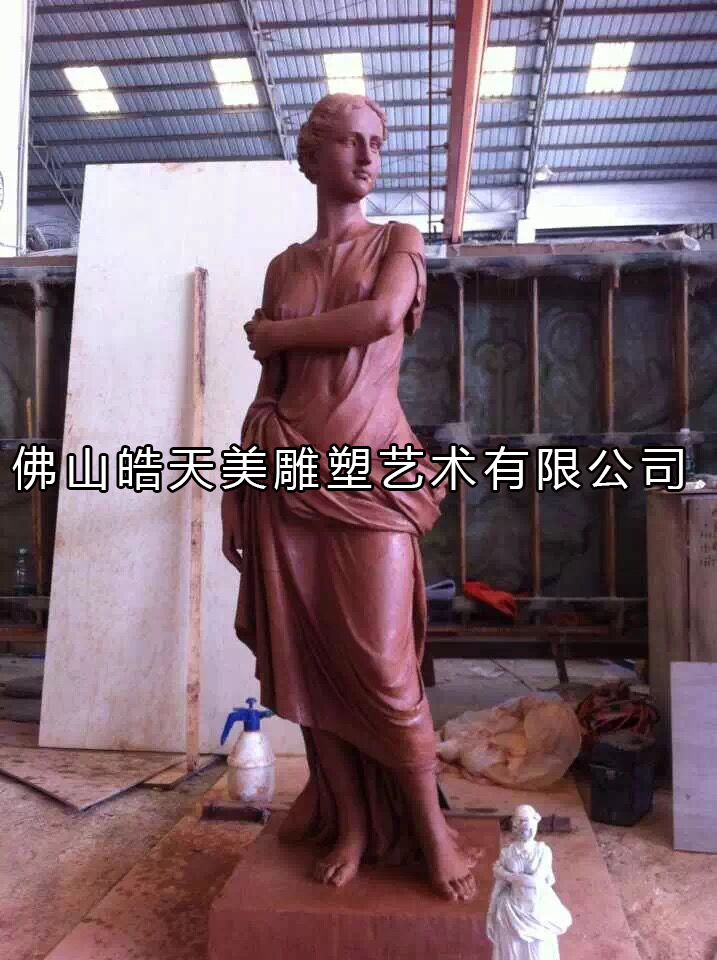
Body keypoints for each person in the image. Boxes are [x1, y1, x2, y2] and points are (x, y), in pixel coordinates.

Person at [221, 92, 478, 901]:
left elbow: (379, 315)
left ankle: (429, 830)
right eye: (351, 142)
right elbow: (269, 387)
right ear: (312, 156)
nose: (369, 157)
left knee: (382, 665)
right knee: (308, 661)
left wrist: (276, 332)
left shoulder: (397, 240)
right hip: (286, 470)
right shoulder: (284, 266)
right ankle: (352, 821)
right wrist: (237, 487)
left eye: (377, 142)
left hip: (370, 474)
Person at [486, 805, 572, 959]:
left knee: (539, 952)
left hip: (538, 910)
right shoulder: (507, 853)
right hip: (512, 911)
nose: (525, 828)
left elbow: (535, 882)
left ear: (535, 822)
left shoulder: (543, 851)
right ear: (515, 826)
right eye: (520, 823)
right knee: (512, 952)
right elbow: (499, 886)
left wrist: (504, 874)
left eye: (528, 823)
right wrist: (490, 913)